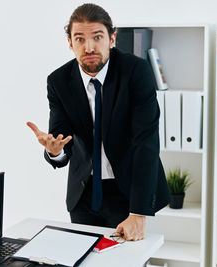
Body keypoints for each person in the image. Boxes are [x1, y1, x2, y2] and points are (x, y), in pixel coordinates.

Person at [27, 3, 169, 241]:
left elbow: (146, 143)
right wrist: (55, 151)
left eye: (97, 37)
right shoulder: (59, 81)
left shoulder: (136, 71)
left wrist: (138, 213)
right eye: (80, 39)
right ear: (71, 43)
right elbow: (62, 139)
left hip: (129, 192)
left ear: (112, 39)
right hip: (83, 195)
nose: (89, 47)